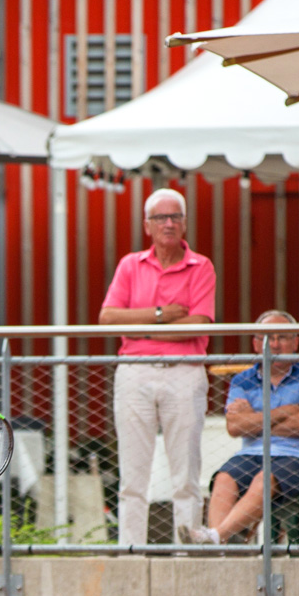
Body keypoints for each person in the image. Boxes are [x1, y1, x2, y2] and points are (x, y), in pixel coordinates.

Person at [99, 187, 217, 547]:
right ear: (146, 225)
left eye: (175, 217)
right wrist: (161, 316)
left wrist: (139, 327)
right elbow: (106, 318)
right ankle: (131, 553)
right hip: (135, 371)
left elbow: (198, 325)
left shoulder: (201, 265)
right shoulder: (129, 264)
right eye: (161, 218)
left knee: (186, 474)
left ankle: (187, 553)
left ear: (185, 223)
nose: (169, 223)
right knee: (133, 475)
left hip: (184, 371)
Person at [177, 311, 299, 545]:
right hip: (251, 453)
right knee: (224, 478)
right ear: (256, 344)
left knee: (264, 479)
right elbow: (235, 427)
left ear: (296, 342)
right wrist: (285, 411)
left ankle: (215, 537)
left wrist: (254, 420)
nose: (275, 344)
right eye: (267, 338)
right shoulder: (242, 380)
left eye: (282, 337)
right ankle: (218, 546)